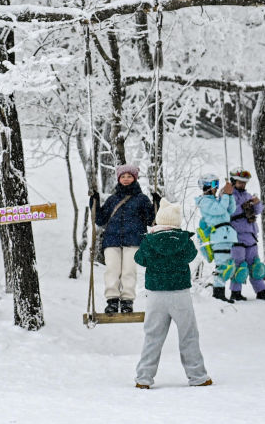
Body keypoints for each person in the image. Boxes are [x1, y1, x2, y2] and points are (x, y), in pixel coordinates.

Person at [134, 198, 211, 389]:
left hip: (156, 294)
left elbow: (139, 259)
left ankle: (144, 378)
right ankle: (198, 376)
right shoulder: (183, 240)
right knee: (188, 335)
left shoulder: (149, 240)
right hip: (180, 293)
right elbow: (190, 256)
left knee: (153, 337)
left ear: (159, 221)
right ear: (176, 223)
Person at [89, 163, 155, 314]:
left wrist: (156, 203)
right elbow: (100, 219)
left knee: (129, 271)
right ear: (119, 179)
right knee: (112, 270)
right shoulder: (113, 200)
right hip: (112, 240)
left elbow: (152, 220)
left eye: (129, 176)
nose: (126, 179)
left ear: (135, 178)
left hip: (133, 240)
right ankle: (112, 300)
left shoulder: (141, 199)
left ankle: (127, 301)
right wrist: (94, 201)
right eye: (123, 176)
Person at [228, 167, 265, 301]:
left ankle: (261, 291)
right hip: (237, 237)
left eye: (244, 182)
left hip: (251, 236)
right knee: (239, 266)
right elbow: (229, 211)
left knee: (255, 265)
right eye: (240, 182)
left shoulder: (247, 195)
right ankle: (235, 292)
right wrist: (243, 207)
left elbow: (258, 210)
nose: (242, 185)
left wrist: (257, 203)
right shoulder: (230, 196)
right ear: (233, 181)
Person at [194, 173, 239, 302]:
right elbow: (219, 210)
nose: (216, 187)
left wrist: (229, 195)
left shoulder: (216, 200)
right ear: (206, 186)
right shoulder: (204, 201)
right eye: (214, 184)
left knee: (229, 265)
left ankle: (220, 292)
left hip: (227, 236)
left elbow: (230, 209)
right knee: (222, 266)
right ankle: (218, 294)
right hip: (218, 237)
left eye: (217, 184)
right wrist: (224, 196)